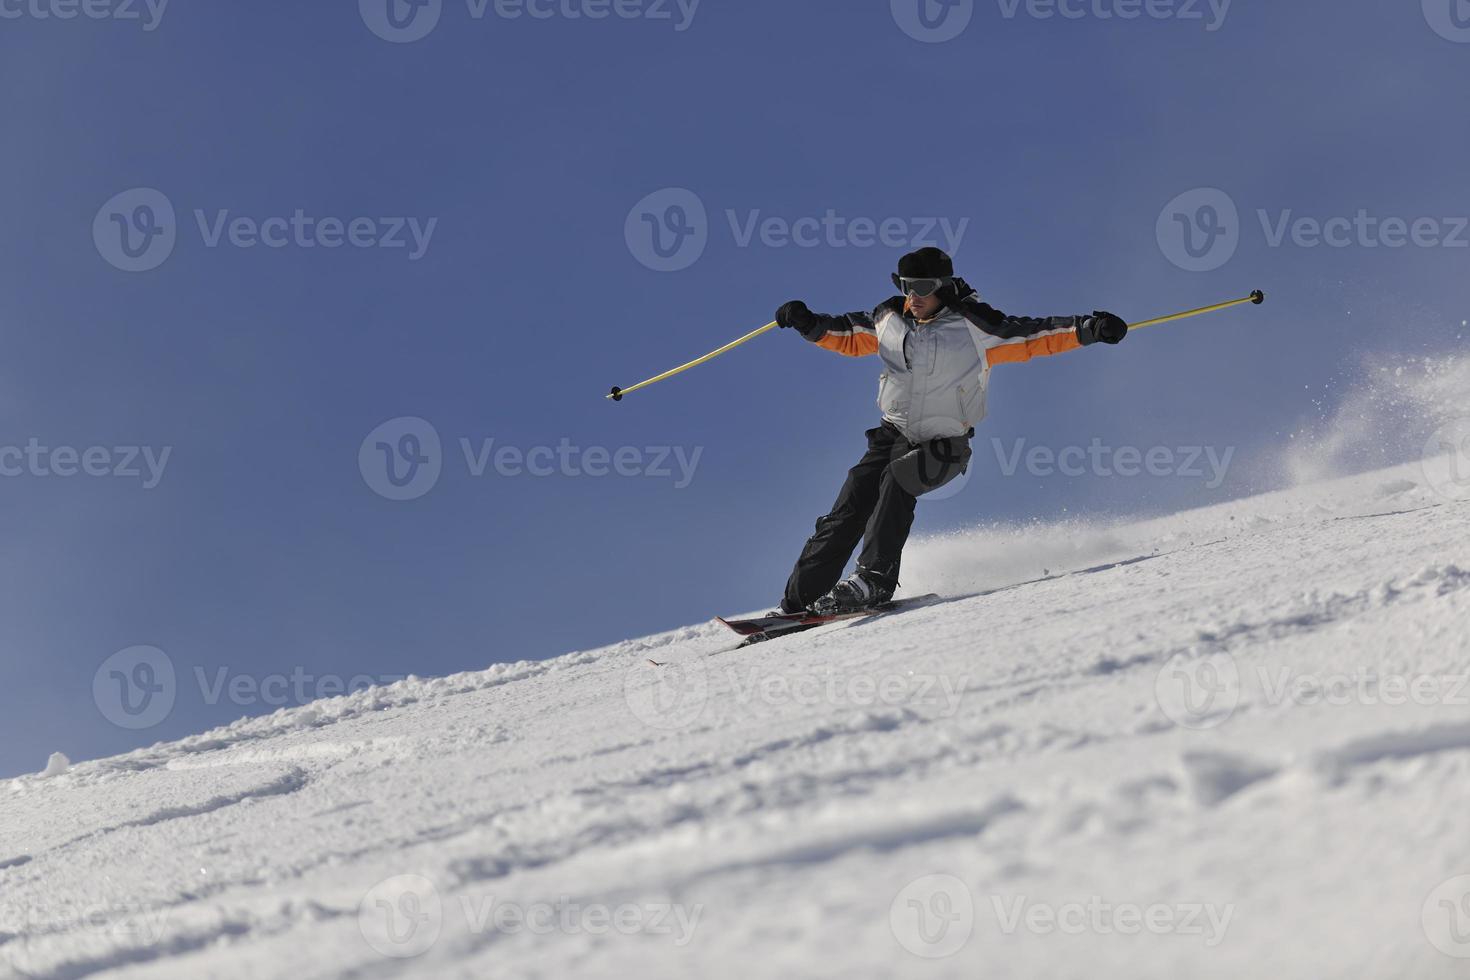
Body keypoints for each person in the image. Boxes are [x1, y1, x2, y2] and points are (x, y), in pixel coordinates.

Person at [774, 246, 1128, 615]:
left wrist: (1089, 329)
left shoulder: (975, 324)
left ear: (943, 286)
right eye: (906, 286)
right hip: (891, 435)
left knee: (897, 480)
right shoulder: (889, 317)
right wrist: (808, 323)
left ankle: (873, 581)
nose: (914, 296)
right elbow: (846, 334)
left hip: (944, 445)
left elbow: (1033, 336)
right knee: (850, 505)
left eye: (923, 286)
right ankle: (798, 601)